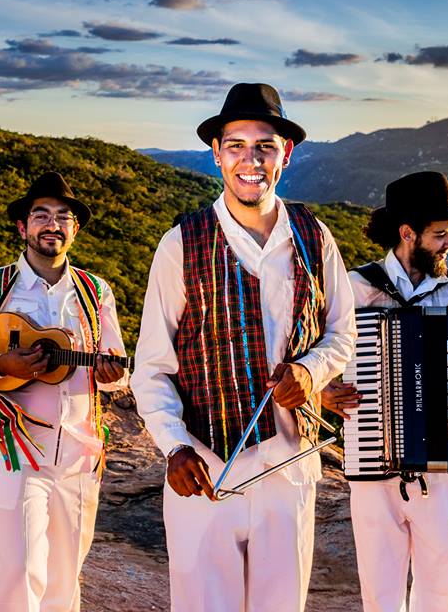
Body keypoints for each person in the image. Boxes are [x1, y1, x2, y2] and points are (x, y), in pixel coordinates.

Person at [132, 83, 357, 612]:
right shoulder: (180, 243)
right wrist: (174, 446)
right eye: (235, 145)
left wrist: (311, 371)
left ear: (286, 153)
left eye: (264, 146)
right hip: (205, 469)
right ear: (216, 153)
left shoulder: (314, 235)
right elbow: (152, 366)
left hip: (290, 466)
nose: (249, 160)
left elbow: (341, 333)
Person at [321, 171, 448, 612]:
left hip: (443, 471)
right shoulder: (355, 288)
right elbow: (321, 368)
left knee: (443, 591)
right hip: (373, 466)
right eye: (441, 234)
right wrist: (325, 395)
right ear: (408, 234)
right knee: (380, 591)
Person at [0, 171, 128, 612]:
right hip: (16, 449)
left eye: (63, 217)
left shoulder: (96, 291)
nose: (52, 224)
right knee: (21, 572)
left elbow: (117, 368)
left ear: (74, 229)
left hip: (80, 453)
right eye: (41, 215)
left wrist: (110, 373)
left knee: (65, 578)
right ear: (22, 227)